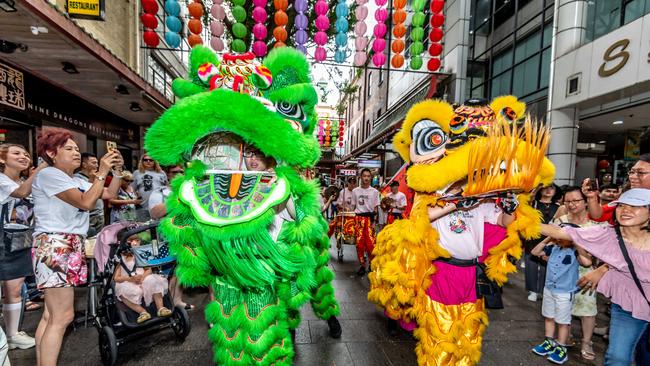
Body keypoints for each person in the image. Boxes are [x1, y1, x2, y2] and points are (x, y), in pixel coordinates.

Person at [32, 129, 123, 366]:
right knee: (62, 317)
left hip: (65, 244)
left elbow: (109, 193)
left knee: (51, 315)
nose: (76, 153)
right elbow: (86, 202)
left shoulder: (74, 180)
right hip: (56, 244)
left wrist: (117, 171)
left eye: (75, 148)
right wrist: (102, 172)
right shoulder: (49, 174)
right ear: (51, 153)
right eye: (69, 149)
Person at [540, 188, 650, 366]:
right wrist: (518, 217)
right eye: (621, 206)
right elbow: (562, 233)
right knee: (618, 358)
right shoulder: (608, 233)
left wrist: (601, 270)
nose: (626, 210)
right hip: (628, 306)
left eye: (635, 206)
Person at [0, 144, 44, 350]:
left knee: (15, 290)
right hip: (3, 240)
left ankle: (13, 334)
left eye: (26, 154)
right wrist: (39, 170)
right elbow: (20, 192)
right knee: (9, 289)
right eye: (16, 153)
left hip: (22, 239)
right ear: (2, 159)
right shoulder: (3, 180)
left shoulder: (24, 181)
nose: (24, 157)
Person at [531, 218, 592, 364]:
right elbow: (535, 252)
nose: (559, 238)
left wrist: (577, 241)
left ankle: (561, 348)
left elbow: (587, 262)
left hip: (564, 293)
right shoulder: (553, 248)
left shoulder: (575, 252)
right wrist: (549, 236)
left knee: (563, 322)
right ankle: (549, 342)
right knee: (549, 317)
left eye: (562, 235)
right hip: (549, 289)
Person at [554, 187, 600, 361]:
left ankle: (587, 342)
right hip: (562, 270)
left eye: (576, 200)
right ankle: (567, 336)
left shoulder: (594, 223)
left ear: (585, 201)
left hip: (586, 272)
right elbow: (550, 241)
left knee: (587, 308)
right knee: (563, 306)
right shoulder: (561, 220)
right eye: (568, 201)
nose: (572, 204)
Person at [113, 235, 171, 323]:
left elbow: (149, 270)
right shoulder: (121, 258)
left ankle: (161, 308)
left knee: (154, 280)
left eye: (137, 240)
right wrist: (130, 279)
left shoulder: (141, 253)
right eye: (131, 240)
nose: (135, 243)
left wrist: (142, 278)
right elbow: (116, 278)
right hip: (128, 282)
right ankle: (142, 312)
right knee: (121, 289)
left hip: (143, 279)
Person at [524, 185, 560, 302]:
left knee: (548, 266)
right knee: (531, 265)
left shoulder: (559, 206)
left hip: (551, 239)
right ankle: (533, 290)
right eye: (546, 188)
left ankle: (545, 290)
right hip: (533, 238)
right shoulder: (533, 203)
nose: (549, 190)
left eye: (552, 188)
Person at [352, 169, 380, 276]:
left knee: (371, 244)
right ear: (361, 177)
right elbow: (354, 207)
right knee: (359, 244)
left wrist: (374, 222)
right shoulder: (355, 191)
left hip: (370, 220)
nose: (366, 178)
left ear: (371, 178)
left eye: (368, 176)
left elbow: (376, 209)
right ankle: (362, 265)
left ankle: (371, 265)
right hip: (359, 220)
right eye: (364, 176)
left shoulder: (375, 192)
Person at [74, 153, 105, 236]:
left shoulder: (97, 177)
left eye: (97, 163)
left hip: (99, 214)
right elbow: (84, 197)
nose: (97, 166)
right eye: (94, 163)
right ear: (84, 164)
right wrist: (92, 180)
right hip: (88, 216)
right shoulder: (76, 178)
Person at [132, 154, 167, 220]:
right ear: (142, 161)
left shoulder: (161, 173)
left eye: (151, 160)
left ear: (155, 162)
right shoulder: (137, 173)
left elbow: (166, 188)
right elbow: (131, 189)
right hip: (143, 206)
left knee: (159, 227)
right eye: (145, 160)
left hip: (159, 206)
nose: (148, 161)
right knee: (145, 227)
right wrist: (136, 199)